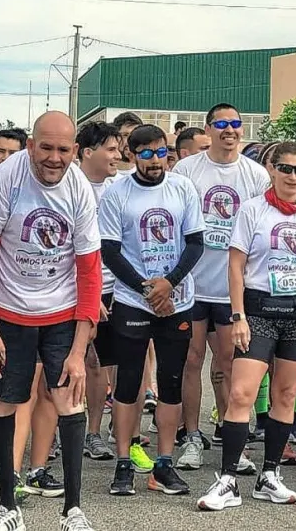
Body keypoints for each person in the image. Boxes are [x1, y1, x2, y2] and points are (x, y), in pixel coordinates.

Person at [0, 111, 103, 531]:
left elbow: (89, 271)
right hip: (9, 310)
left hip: (61, 311)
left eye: (64, 150)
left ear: (75, 152)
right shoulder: (7, 178)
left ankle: (73, 511)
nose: (54, 158)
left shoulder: (79, 189)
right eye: (46, 147)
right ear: (30, 146)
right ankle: (8, 508)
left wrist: (79, 351)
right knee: (6, 401)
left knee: (68, 399)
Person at [196, 141, 296, 510]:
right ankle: (227, 479)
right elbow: (236, 266)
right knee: (241, 393)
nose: (292, 176)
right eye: (284, 168)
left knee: (287, 395)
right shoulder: (252, 210)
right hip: (258, 310)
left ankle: (269, 474)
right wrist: (237, 315)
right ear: (271, 169)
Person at [99, 125, 204, 498]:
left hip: (177, 300)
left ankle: (163, 464)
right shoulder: (117, 193)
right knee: (129, 381)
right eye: (145, 154)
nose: (155, 160)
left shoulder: (182, 188)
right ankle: (124, 462)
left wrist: (169, 284)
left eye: (161, 152)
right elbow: (110, 251)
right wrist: (148, 288)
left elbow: (195, 243)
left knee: (172, 382)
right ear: (132, 154)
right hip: (133, 300)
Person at [173, 103, 270, 472]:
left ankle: (235, 440)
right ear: (209, 128)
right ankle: (193, 437)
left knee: (231, 364)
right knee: (192, 360)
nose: (229, 130)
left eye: (235, 124)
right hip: (193, 284)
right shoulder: (187, 169)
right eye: (221, 124)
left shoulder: (255, 174)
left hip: (234, 289)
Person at [75, 122, 122, 463]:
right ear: (87, 152)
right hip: (74, 290)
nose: (117, 155)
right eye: (110, 148)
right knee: (75, 361)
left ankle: (95, 432)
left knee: (105, 363)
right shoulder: (68, 185)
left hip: (115, 290)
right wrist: (87, 296)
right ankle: (66, 430)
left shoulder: (121, 189)